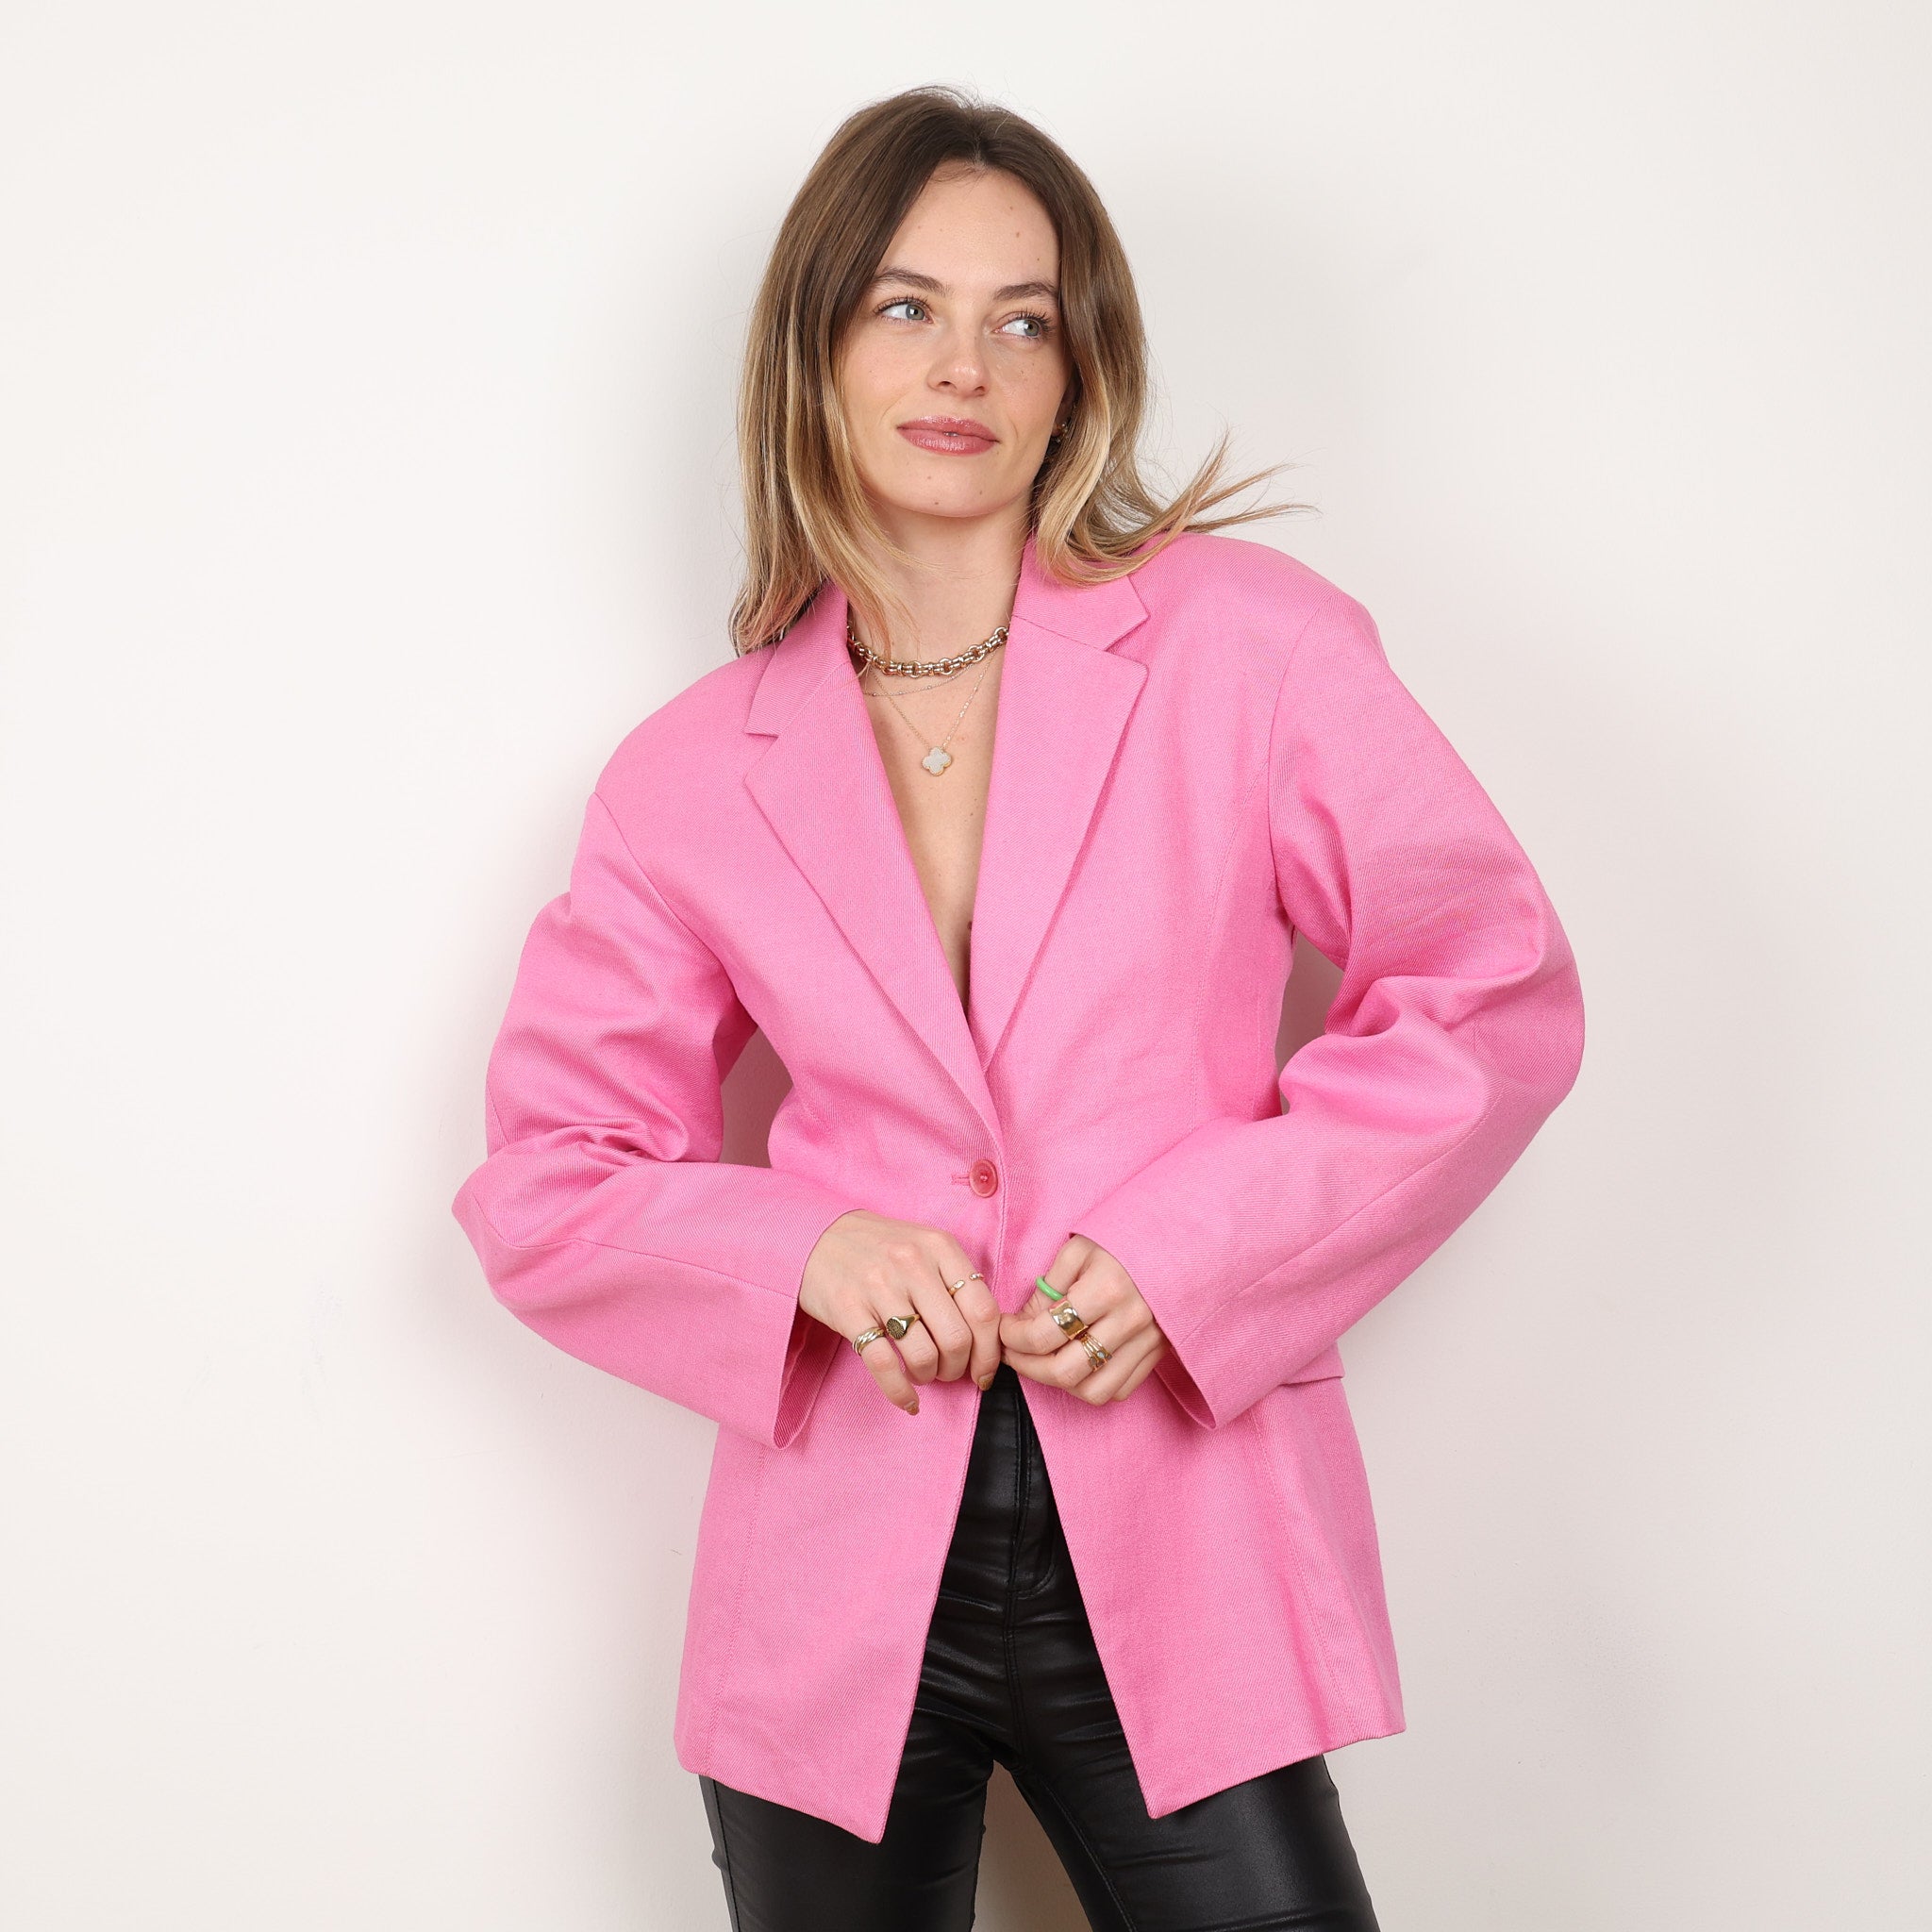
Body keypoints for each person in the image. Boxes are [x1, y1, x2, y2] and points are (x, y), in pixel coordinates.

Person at [451, 84, 1585, 1932]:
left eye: (1021, 318)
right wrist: (806, 1249)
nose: (961, 365)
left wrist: (1195, 1249)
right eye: (904, 306)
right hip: (834, 1571)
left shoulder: (1246, 644)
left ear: (1080, 368)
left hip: (1184, 1520)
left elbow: (1490, 986)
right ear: (814, 348)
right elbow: (546, 1180)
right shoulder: (685, 774)